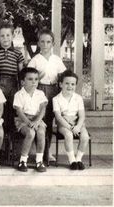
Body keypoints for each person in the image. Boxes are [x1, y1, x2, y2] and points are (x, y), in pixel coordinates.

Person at [27, 29, 66, 162]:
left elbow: (63, 76)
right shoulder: (35, 60)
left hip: (53, 90)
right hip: (39, 89)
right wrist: (38, 77)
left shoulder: (57, 60)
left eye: (48, 42)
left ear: (53, 44)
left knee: (49, 121)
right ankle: (39, 151)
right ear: (38, 43)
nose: (45, 44)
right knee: (40, 120)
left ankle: (47, 152)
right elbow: (28, 77)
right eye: (42, 41)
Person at [0, 23, 24, 132]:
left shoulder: (18, 53)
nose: (5, 38)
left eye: (8, 35)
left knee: (12, 107)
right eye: (2, 36)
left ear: (13, 36)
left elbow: (20, 72)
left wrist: (20, 86)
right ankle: (0, 131)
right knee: (0, 106)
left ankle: (11, 133)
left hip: (13, 82)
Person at [13, 67, 48, 172]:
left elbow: (42, 109)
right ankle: (23, 161)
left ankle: (39, 161)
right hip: (23, 119)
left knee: (41, 133)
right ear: (23, 82)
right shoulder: (19, 94)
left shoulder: (40, 94)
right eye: (30, 79)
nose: (34, 82)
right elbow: (19, 111)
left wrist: (37, 121)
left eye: (36, 79)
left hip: (37, 118)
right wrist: (29, 123)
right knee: (31, 133)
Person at [53, 70, 89, 170]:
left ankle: (78, 159)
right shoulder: (56, 99)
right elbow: (58, 117)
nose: (70, 86)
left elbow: (82, 116)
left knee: (85, 137)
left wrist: (77, 127)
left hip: (77, 123)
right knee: (68, 135)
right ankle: (72, 160)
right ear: (61, 84)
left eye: (73, 84)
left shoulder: (78, 98)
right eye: (67, 83)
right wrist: (70, 127)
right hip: (63, 124)